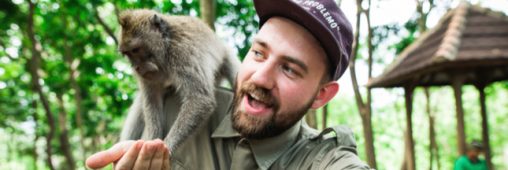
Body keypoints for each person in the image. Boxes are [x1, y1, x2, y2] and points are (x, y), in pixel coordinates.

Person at [86, 0, 370, 169]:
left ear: (322, 95)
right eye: (258, 52)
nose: (260, 77)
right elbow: (150, 107)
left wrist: (167, 147)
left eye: (290, 69)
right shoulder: (170, 104)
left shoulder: (323, 160)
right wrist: (148, 148)